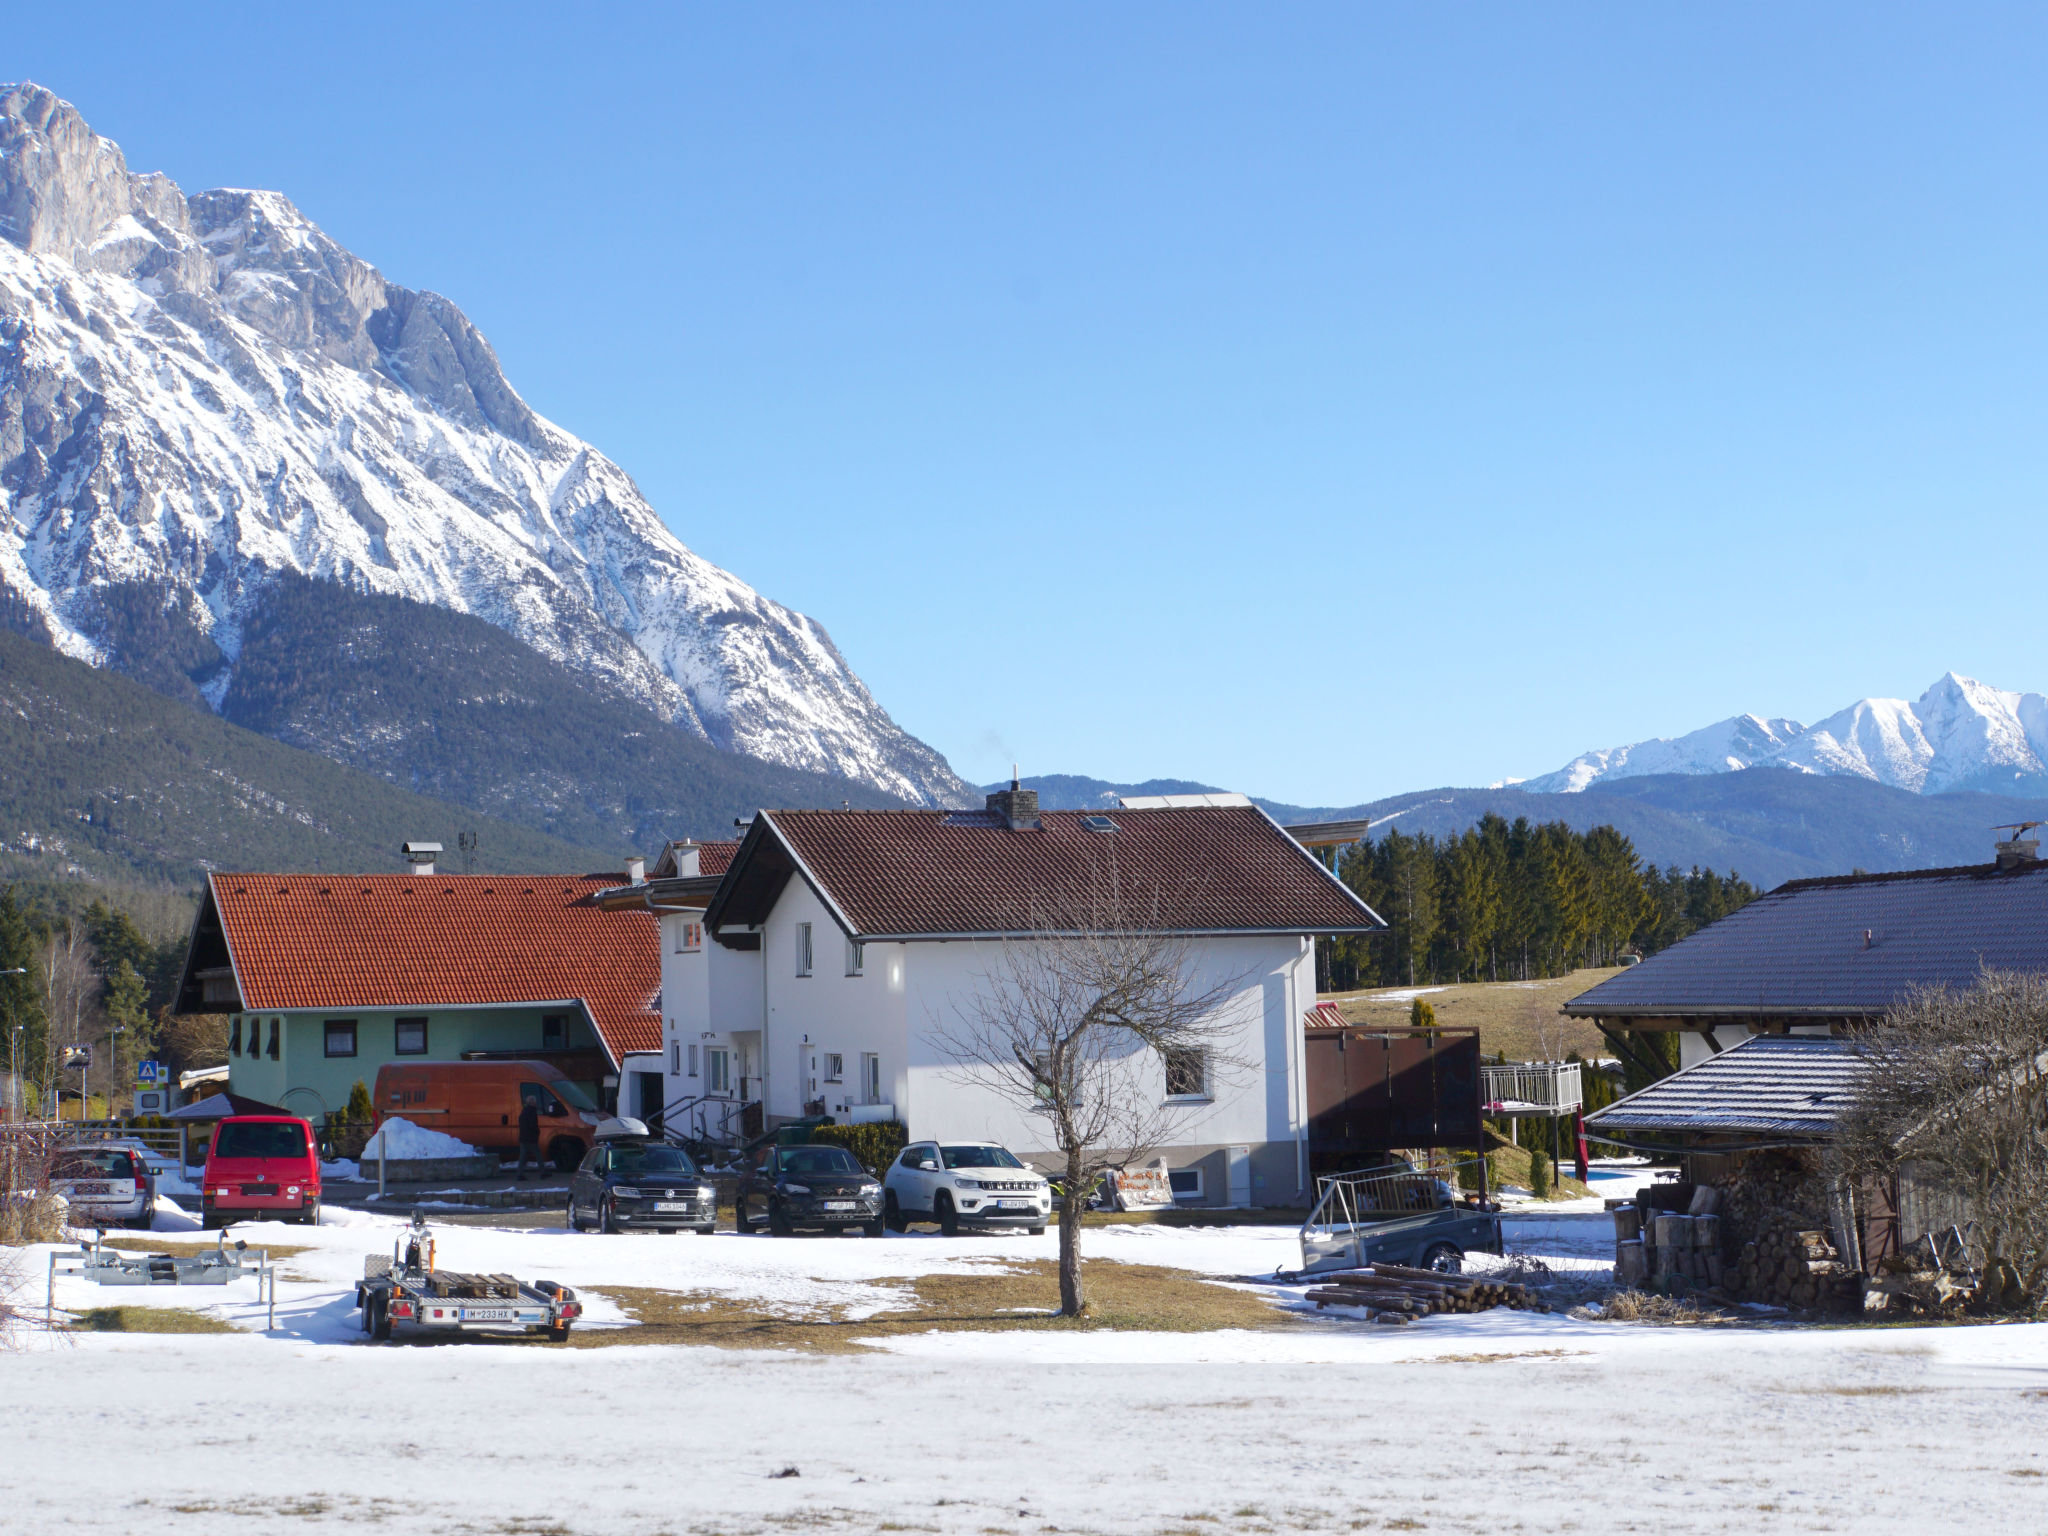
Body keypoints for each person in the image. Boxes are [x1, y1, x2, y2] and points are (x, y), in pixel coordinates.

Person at [515, 1092, 542, 1181]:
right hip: (531, 1138)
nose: (536, 1103)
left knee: (522, 1157)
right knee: (538, 1155)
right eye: (534, 1101)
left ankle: (519, 1174)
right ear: (532, 1102)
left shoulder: (524, 1111)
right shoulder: (532, 1111)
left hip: (523, 1137)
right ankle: (543, 1173)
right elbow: (532, 1125)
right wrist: (537, 1131)